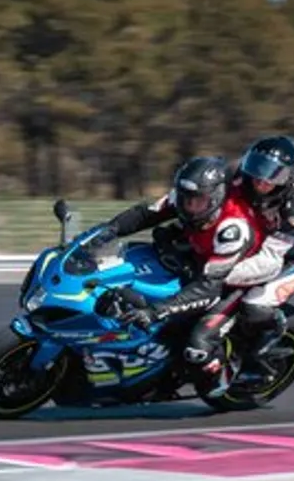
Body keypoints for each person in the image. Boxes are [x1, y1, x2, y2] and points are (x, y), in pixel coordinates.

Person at [93, 155, 270, 397]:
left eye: (197, 201)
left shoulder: (232, 229)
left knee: (197, 348)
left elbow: (209, 288)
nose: (189, 206)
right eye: (185, 199)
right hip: (202, 259)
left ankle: (230, 372)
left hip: (235, 279)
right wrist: (108, 230)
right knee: (140, 259)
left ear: (216, 198)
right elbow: (146, 214)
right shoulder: (188, 198)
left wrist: (154, 311)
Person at [223, 135, 294, 361]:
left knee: (254, 304)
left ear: (288, 177)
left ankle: (272, 329)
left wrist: (219, 273)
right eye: (258, 170)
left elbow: (269, 261)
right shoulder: (242, 169)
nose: (261, 182)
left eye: (273, 177)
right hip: (268, 230)